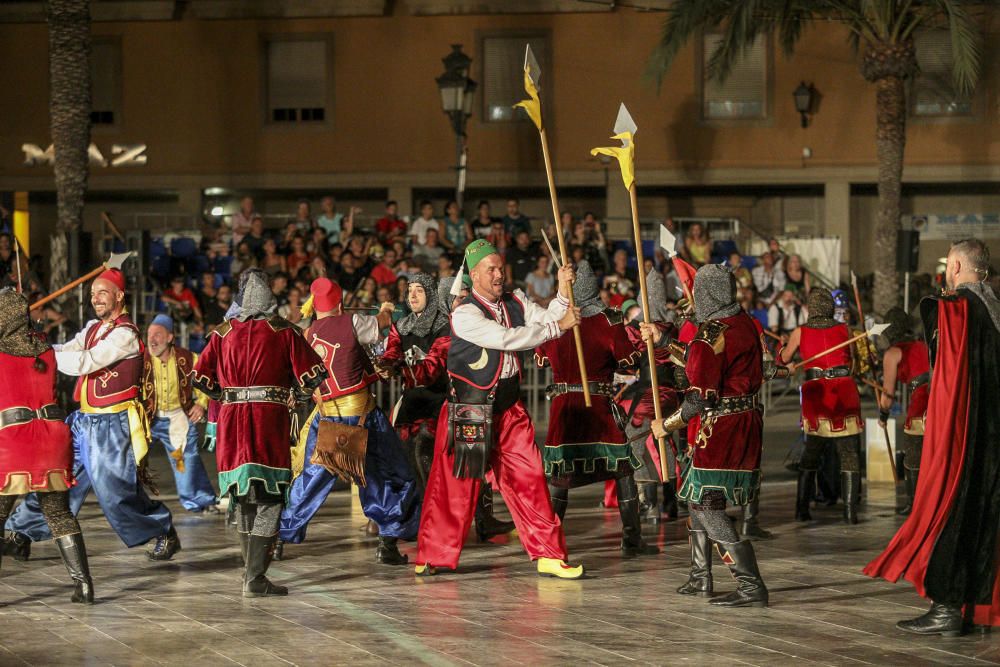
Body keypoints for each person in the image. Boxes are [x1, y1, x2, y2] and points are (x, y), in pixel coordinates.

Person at [414, 239, 584, 578]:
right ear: (474, 274)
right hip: (470, 410)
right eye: (490, 269)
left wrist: (563, 292)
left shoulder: (516, 300)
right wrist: (557, 326)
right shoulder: (464, 314)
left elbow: (547, 317)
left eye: (500, 267)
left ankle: (548, 554)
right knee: (457, 488)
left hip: (508, 409)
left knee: (531, 478)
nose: (498, 274)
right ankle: (433, 555)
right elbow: (508, 338)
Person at [865, 239, 1000, 636]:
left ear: (955, 266)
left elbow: (948, 371)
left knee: (950, 511)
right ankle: (971, 607)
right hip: (994, 436)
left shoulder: (954, 310)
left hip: (965, 434)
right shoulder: (995, 311)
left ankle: (946, 607)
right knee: (983, 516)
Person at [4, 268, 181, 562]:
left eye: (102, 293)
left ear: (119, 296)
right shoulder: (92, 329)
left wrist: (39, 352)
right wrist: (29, 344)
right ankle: (21, 533)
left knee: (114, 494)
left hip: (113, 425)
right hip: (83, 421)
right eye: (92, 294)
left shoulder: (125, 335)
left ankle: (161, 529)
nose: (95, 299)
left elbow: (85, 362)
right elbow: (64, 348)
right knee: (54, 477)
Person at [192, 269, 327, 597]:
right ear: (269, 299)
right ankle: (255, 578)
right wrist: (294, 391)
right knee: (269, 498)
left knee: (243, 498)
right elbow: (314, 375)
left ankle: (250, 574)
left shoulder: (222, 333)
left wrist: (227, 396)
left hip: (232, 422)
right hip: (269, 422)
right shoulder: (284, 331)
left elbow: (200, 378)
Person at [645, 264, 769, 608]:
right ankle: (701, 576)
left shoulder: (710, 332)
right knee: (698, 498)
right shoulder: (742, 322)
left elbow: (701, 394)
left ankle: (749, 585)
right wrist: (666, 340)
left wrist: (665, 425)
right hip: (743, 421)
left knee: (705, 503)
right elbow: (704, 363)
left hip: (720, 428)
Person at [276, 277, 421, 565]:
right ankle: (388, 541)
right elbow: (378, 324)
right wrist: (387, 310)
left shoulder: (308, 334)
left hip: (327, 416)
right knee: (391, 472)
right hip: (361, 416)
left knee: (312, 479)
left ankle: (279, 536)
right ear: (340, 303)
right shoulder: (352, 322)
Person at [538, 261, 657, 558]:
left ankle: (547, 543)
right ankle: (631, 540)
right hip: (598, 407)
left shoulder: (553, 322)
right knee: (623, 470)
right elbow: (626, 359)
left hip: (564, 408)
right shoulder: (608, 320)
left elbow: (541, 355)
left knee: (560, 476)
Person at [0, 289, 94, 603]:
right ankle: (83, 586)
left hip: (15, 440)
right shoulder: (45, 349)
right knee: (58, 513)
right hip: (53, 437)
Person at [778, 289, 864, 524]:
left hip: (818, 393)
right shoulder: (845, 330)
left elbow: (784, 360)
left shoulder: (800, 331)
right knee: (848, 453)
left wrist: (785, 347)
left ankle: (802, 509)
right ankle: (849, 512)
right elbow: (854, 361)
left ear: (810, 308)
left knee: (812, 452)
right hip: (844, 390)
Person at [142, 314, 218, 514]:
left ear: (170, 338)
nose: (152, 339)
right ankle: (129, 504)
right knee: (130, 458)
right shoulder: (140, 360)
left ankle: (196, 502)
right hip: (148, 420)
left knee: (184, 462)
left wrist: (201, 404)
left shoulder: (188, 358)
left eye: (157, 334)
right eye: (149, 334)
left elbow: (205, 379)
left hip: (177, 418)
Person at [878, 307, 930, 516]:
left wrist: (883, 414)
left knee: (913, 455)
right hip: (938, 398)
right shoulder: (923, 345)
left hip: (920, 402)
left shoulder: (892, 353)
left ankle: (914, 505)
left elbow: (888, 392)